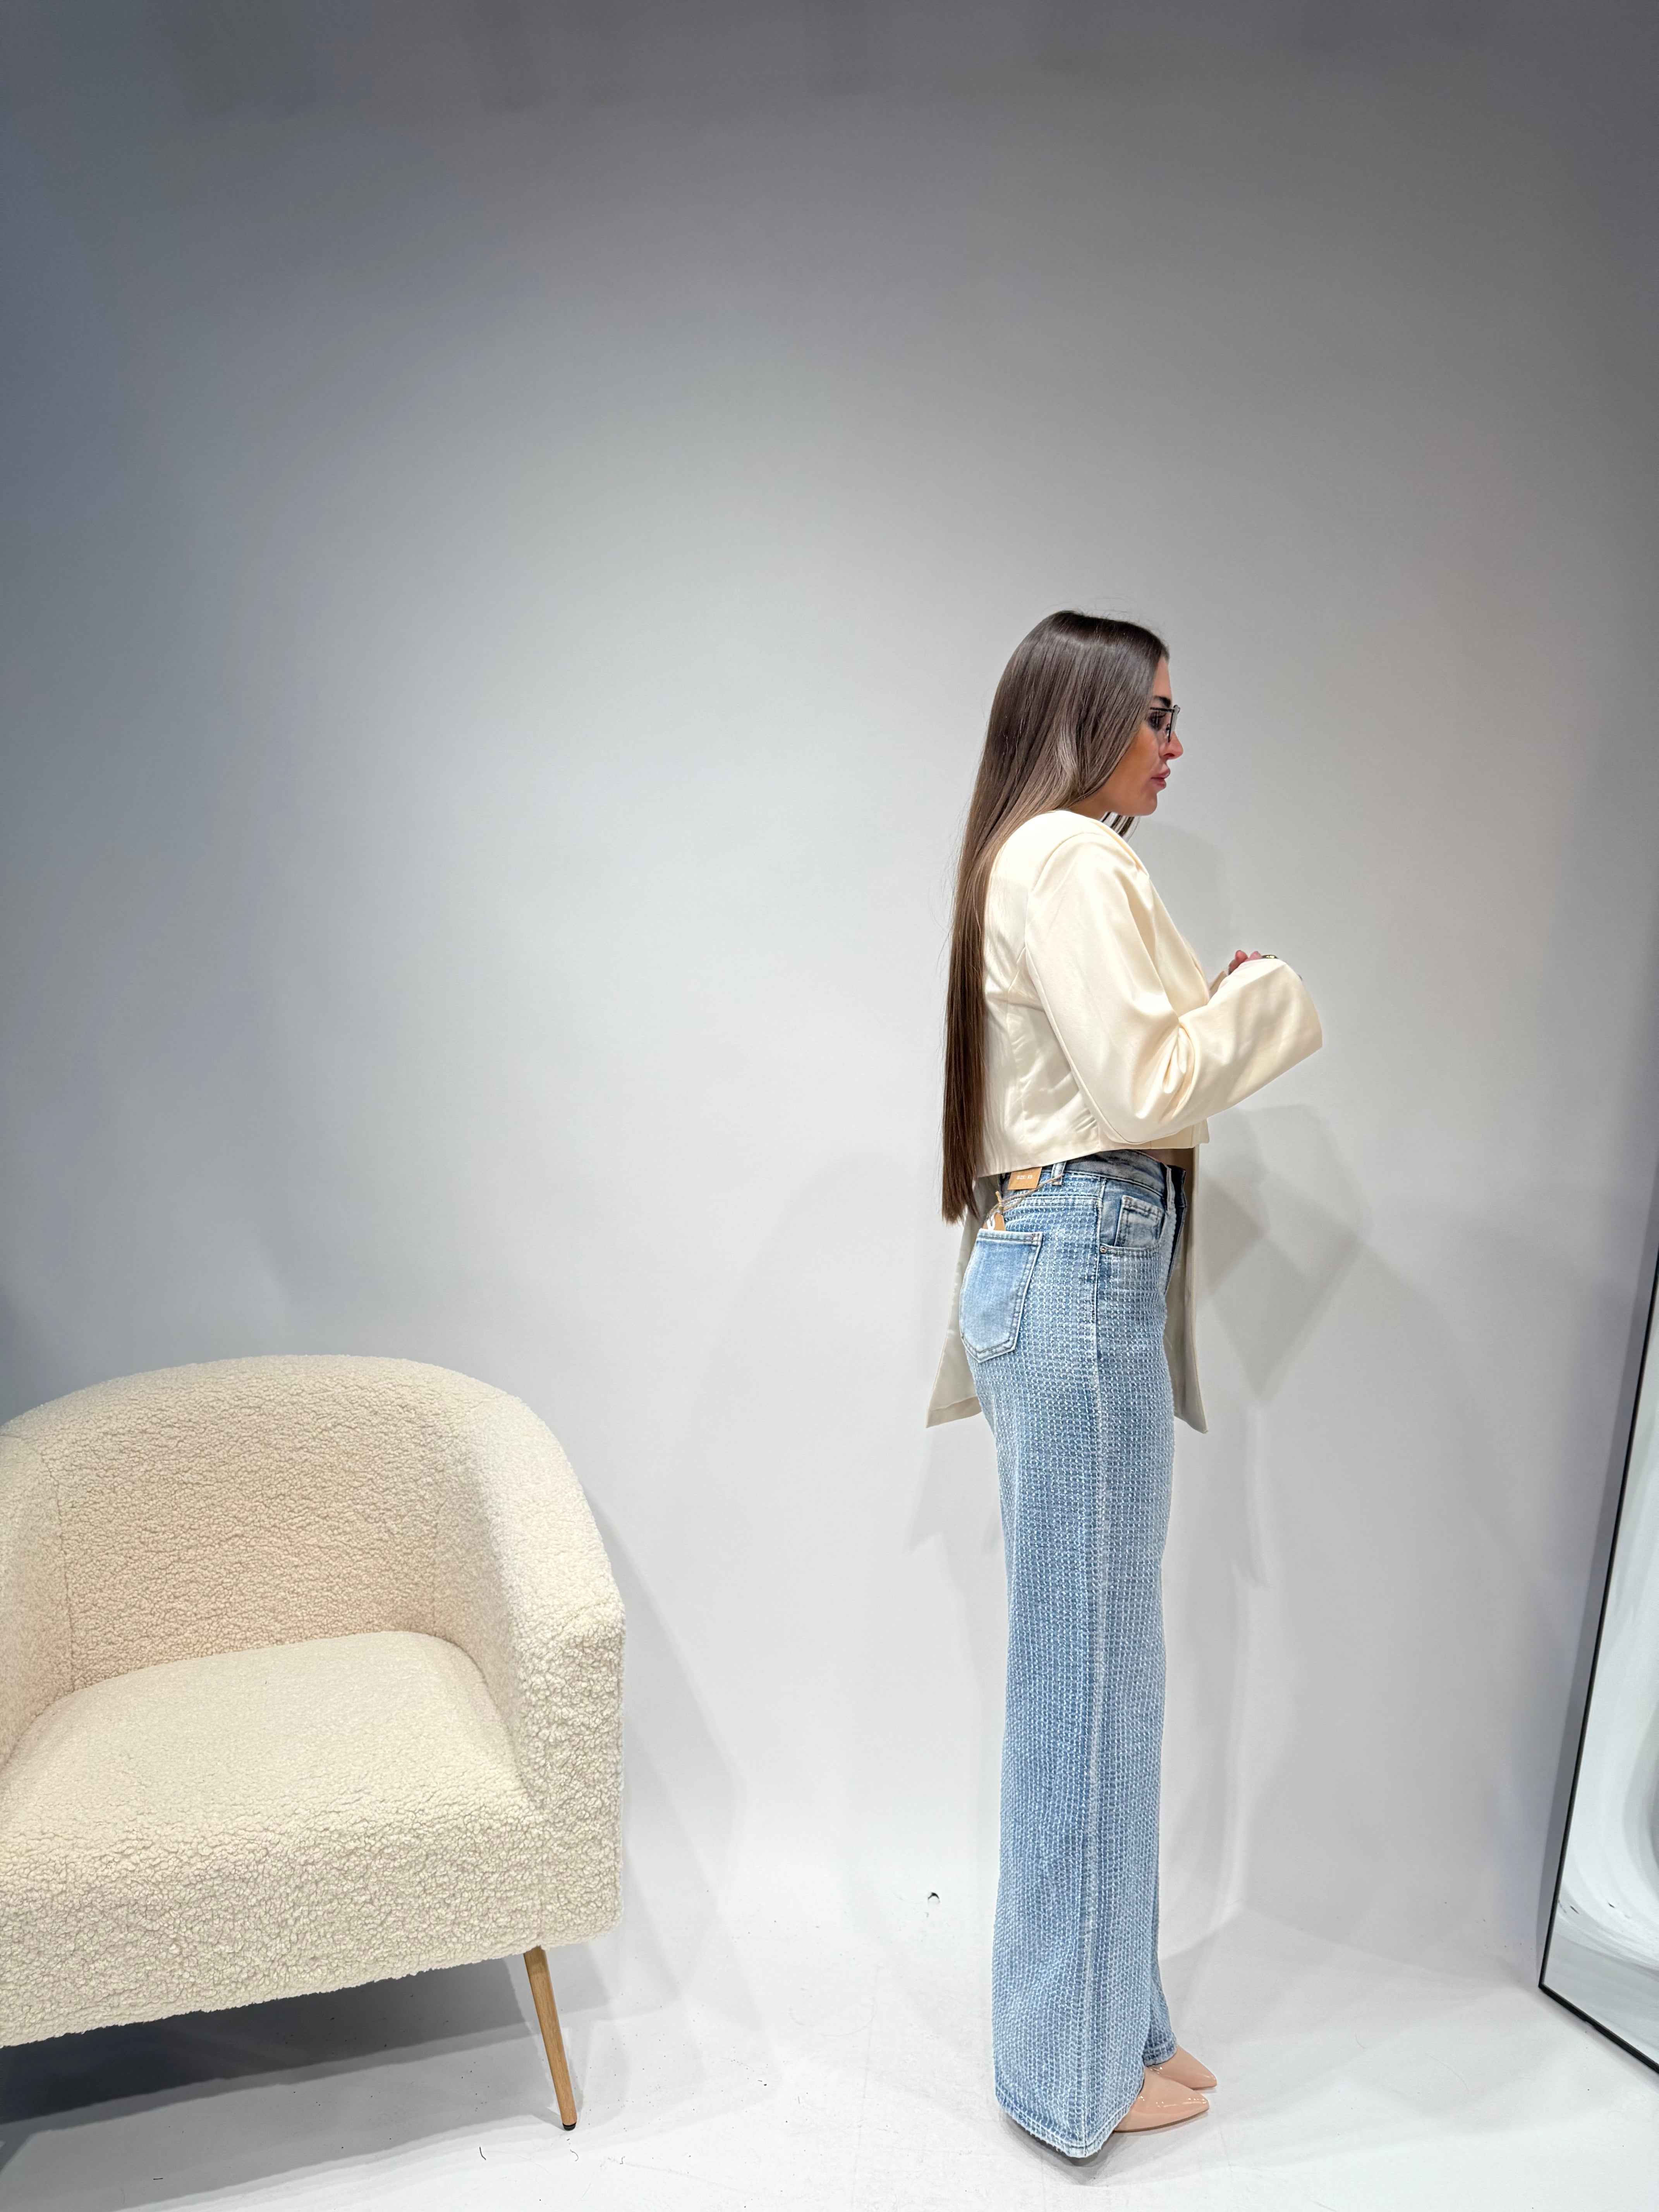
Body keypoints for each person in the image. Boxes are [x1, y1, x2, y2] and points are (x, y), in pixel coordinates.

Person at [928, 611, 1322, 2157]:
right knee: (1091, 1685)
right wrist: (1259, 999)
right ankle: (1070, 2076)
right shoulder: (1072, 861)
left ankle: (1120, 2028)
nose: (1175, 742)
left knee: (1099, 1677)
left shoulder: (1037, 857)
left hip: (1066, 1259)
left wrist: (1196, 1017)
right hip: (1082, 1263)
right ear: (1086, 719)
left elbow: (1117, 1077)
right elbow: (1150, 1084)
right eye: (1154, 714)